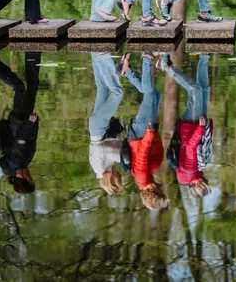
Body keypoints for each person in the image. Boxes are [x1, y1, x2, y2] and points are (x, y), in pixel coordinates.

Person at [0, 51, 41, 194]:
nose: (31, 176)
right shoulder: (19, 164)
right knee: (32, 86)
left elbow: (21, 139)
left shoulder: (16, 163)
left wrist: (30, 123)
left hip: (21, 119)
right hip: (20, 120)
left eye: (30, 179)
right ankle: (33, 54)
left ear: (23, 179)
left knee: (20, 87)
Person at [120, 52, 169, 210]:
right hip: (147, 132)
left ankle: (147, 58)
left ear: (154, 192)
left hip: (141, 133)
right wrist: (156, 130)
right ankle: (126, 71)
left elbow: (141, 153)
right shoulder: (146, 177)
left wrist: (149, 133)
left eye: (161, 192)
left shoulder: (141, 177)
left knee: (149, 96)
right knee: (155, 95)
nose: (162, 188)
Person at [161, 54, 213, 198]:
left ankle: (167, 67)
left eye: (202, 183)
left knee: (195, 91)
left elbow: (190, 148)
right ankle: (204, 57)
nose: (203, 179)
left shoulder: (190, 171)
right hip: (195, 126)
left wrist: (201, 129)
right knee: (204, 89)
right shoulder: (194, 171)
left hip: (192, 127)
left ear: (195, 185)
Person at [89, 53, 125, 195]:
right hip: (96, 128)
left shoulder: (100, 168)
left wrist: (122, 156)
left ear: (112, 180)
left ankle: (102, 56)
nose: (119, 175)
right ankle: (94, 53)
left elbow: (103, 150)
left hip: (99, 128)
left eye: (118, 178)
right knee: (102, 88)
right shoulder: (105, 168)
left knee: (117, 92)